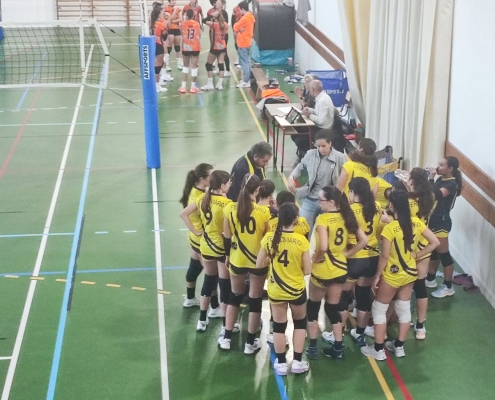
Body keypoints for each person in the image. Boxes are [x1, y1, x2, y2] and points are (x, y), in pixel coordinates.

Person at [361, 190, 439, 360]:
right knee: (403, 309)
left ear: (392, 205)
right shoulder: (417, 222)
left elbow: (384, 256)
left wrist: (377, 275)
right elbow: (435, 242)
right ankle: (399, 347)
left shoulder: (390, 228)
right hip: (410, 272)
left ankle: (378, 349)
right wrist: (417, 255)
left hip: (392, 274)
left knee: (379, 309)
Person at [322, 177, 385, 347]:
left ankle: (338, 333)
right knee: (363, 297)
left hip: (354, 258)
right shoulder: (377, 206)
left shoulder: (349, 210)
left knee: (343, 298)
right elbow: (379, 230)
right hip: (372, 257)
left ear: (352, 192)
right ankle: (360, 333)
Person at [306, 186, 367, 360]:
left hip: (323, 270)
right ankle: (338, 348)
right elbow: (364, 240)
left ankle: (312, 347)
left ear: (331, 202)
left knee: (313, 308)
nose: (319, 202)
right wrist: (347, 254)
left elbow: (323, 246)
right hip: (340, 270)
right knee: (332, 308)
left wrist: (316, 258)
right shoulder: (346, 216)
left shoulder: (322, 219)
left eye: (321, 200)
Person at [257, 203, 311, 375]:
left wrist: (272, 261)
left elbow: (259, 264)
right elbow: (307, 270)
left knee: (279, 327)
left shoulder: (269, 238)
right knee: (300, 324)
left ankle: (280, 363)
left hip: (276, 289)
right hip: (296, 290)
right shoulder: (301, 241)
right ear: (296, 219)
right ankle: (297, 362)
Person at [219, 174, 271, 354]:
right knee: (255, 300)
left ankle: (226, 337)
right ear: (257, 190)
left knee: (234, 296)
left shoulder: (229, 209)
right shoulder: (264, 212)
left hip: (237, 259)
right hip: (258, 262)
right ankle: (250, 343)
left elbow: (226, 237)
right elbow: (267, 239)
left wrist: (227, 256)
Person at [180, 170, 232, 332]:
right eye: (229, 183)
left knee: (209, 280)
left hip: (206, 245)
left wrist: (196, 232)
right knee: (224, 285)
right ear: (222, 186)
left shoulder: (203, 198)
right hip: (220, 247)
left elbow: (183, 214)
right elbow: (229, 230)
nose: (230, 185)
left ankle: (202, 320)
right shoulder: (227, 204)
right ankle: (226, 324)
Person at [287, 130, 346, 233]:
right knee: (304, 228)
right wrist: (291, 178)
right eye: (318, 146)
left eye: (323, 146)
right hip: (310, 199)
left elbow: (345, 176)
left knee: (326, 231)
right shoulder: (310, 154)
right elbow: (300, 167)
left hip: (328, 201)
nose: (321, 149)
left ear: (330, 143)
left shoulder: (340, 157)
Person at [425, 156, 463, 298]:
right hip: (433, 220)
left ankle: (448, 286)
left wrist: (430, 178)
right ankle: (430, 279)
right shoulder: (441, 179)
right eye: (438, 164)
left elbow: (435, 195)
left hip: (441, 222)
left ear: (450, 168)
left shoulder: (452, 184)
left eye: (441, 165)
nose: (438, 167)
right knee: (434, 253)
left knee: (444, 255)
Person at [405, 167, 435, 339]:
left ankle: (404, 318)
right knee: (420, 286)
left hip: (409, 245)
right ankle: (421, 325)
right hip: (424, 244)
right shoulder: (430, 197)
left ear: (412, 181)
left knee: (404, 284)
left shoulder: (409, 201)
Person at [179, 163, 215, 307]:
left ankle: (189, 299)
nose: (213, 178)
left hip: (194, 239)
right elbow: (184, 214)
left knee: (194, 267)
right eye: (211, 176)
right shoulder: (199, 197)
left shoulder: (194, 190)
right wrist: (197, 231)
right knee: (211, 275)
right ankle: (214, 306)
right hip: (200, 240)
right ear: (202, 179)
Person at [201, 9, 229, 91]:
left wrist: (211, 15)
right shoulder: (225, 24)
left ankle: (210, 84)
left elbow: (203, 20)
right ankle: (220, 84)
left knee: (208, 65)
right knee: (221, 65)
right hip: (223, 47)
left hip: (215, 47)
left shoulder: (215, 24)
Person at [179, 8, 201, 94]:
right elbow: (199, 35)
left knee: (185, 66)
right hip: (195, 47)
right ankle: (193, 87)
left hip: (186, 47)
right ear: (193, 15)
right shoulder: (197, 24)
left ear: (186, 15)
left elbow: (182, 33)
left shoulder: (182, 24)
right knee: (194, 66)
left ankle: (183, 87)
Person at [234, 1, 255, 88]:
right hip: (248, 41)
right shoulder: (251, 17)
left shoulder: (244, 18)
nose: (239, 12)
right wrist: (240, 28)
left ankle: (246, 81)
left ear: (242, 9)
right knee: (247, 61)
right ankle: (248, 78)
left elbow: (235, 27)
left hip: (243, 42)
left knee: (244, 62)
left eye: (240, 10)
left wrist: (239, 28)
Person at [150, 4, 168, 93]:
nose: (162, 14)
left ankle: (158, 82)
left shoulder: (152, 23)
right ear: (158, 14)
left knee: (158, 64)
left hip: (153, 44)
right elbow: (165, 36)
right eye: (161, 12)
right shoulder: (160, 24)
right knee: (157, 66)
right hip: (159, 45)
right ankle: (157, 86)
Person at [164, 0, 183, 70]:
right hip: (170, 29)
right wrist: (174, 13)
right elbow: (167, 18)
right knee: (169, 47)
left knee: (177, 47)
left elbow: (180, 19)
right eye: (172, 0)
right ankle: (166, 64)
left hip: (177, 29)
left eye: (174, 0)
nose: (174, 1)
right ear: (169, 1)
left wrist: (171, 21)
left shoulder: (178, 9)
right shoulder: (166, 9)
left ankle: (179, 63)